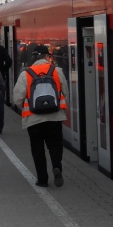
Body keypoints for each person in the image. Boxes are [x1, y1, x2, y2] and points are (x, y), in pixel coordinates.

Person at [12, 44, 68, 187]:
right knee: (55, 145)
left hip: (33, 119)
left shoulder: (26, 73)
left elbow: (17, 99)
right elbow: (65, 93)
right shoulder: (57, 71)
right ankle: (57, 166)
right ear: (47, 56)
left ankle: (42, 180)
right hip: (54, 116)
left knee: (37, 149)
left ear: (34, 57)